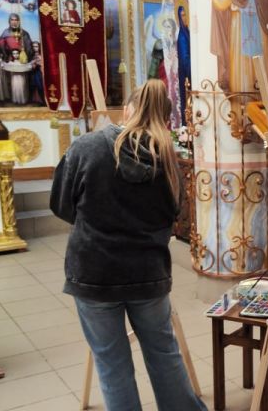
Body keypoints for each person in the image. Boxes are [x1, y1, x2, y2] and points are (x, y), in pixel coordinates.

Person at [50, 80, 206, 411]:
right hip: (148, 273)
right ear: (165, 118)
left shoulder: (88, 147)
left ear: (127, 111)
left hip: (94, 272)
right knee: (164, 353)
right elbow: (173, 215)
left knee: (112, 364)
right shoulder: (167, 161)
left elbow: (61, 204)